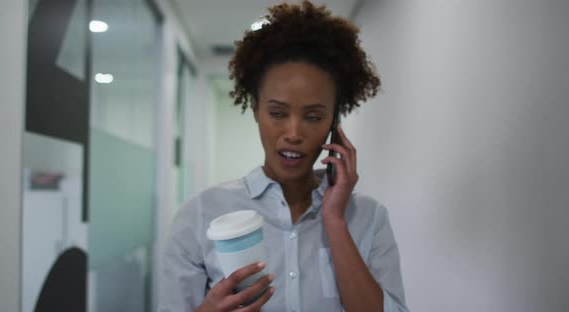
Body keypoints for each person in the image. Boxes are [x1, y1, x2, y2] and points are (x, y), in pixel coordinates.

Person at [159, 1, 408, 311]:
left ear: (335, 123)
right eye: (277, 113)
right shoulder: (199, 216)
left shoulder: (369, 219)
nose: (293, 132)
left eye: (314, 117)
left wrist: (335, 221)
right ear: (255, 111)